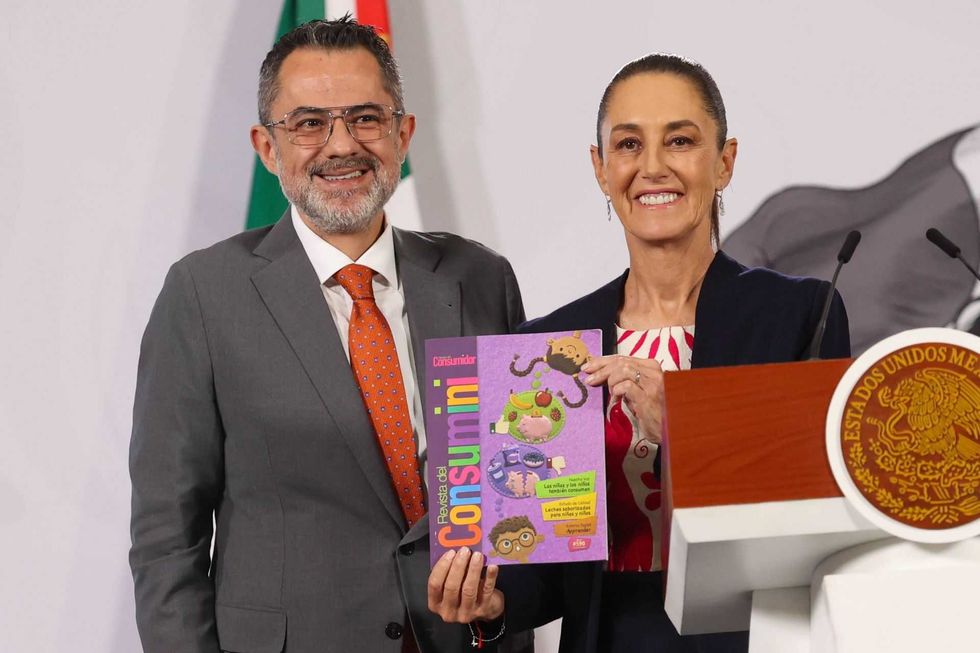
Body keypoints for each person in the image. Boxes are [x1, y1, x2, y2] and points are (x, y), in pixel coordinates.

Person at [128, 17, 530, 653]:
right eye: (309, 123)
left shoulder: (480, 278)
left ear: (404, 134)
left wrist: (505, 617)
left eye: (366, 118)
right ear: (267, 147)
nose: (341, 145)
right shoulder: (205, 294)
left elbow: (520, 498)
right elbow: (164, 541)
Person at [428, 54, 850, 652]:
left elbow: (820, 518)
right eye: (628, 144)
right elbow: (546, 570)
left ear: (724, 162)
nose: (652, 167)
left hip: (756, 637)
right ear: (601, 169)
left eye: (679, 140)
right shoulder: (547, 346)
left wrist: (683, 426)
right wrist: (494, 603)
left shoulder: (802, 316)